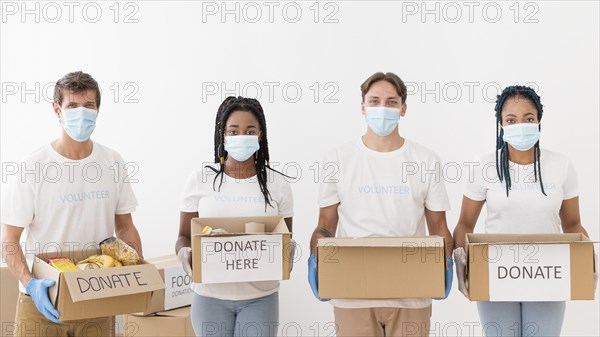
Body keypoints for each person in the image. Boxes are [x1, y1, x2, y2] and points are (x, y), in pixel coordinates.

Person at [308, 72, 454, 337]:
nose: (382, 108)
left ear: (403, 108)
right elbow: (325, 225)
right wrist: (316, 262)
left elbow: (439, 227)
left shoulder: (425, 160)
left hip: (412, 293)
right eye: (374, 101)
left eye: (391, 101)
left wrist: (445, 264)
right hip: (352, 293)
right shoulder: (338, 159)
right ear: (362, 107)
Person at [1, 71, 143, 337]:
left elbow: (124, 227)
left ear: (98, 110)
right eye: (73, 105)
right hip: (43, 301)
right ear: (57, 110)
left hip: (96, 297)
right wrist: (30, 284)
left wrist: (136, 273)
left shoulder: (112, 162)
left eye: (89, 105)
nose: (82, 112)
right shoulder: (33, 167)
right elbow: (9, 239)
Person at [453, 85, 592, 337]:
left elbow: (572, 223)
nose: (520, 125)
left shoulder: (561, 165)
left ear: (539, 121)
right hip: (495, 272)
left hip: (549, 272)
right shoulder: (484, 165)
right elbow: (464, 223)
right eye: (511, 119)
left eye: (528, 119)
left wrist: (588, 258)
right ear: (501, 124)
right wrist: (462, 260)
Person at [176, 96, 293, 337]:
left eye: (250, 131)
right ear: (223, 135)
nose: (242, 136)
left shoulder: (277, 184)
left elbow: (285, 237)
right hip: (209, 297)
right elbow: (183, 236)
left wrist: (288, 251)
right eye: (234, 130)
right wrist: (185, 254)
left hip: (260, 297)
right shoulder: (201, 179)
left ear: (260, 135)